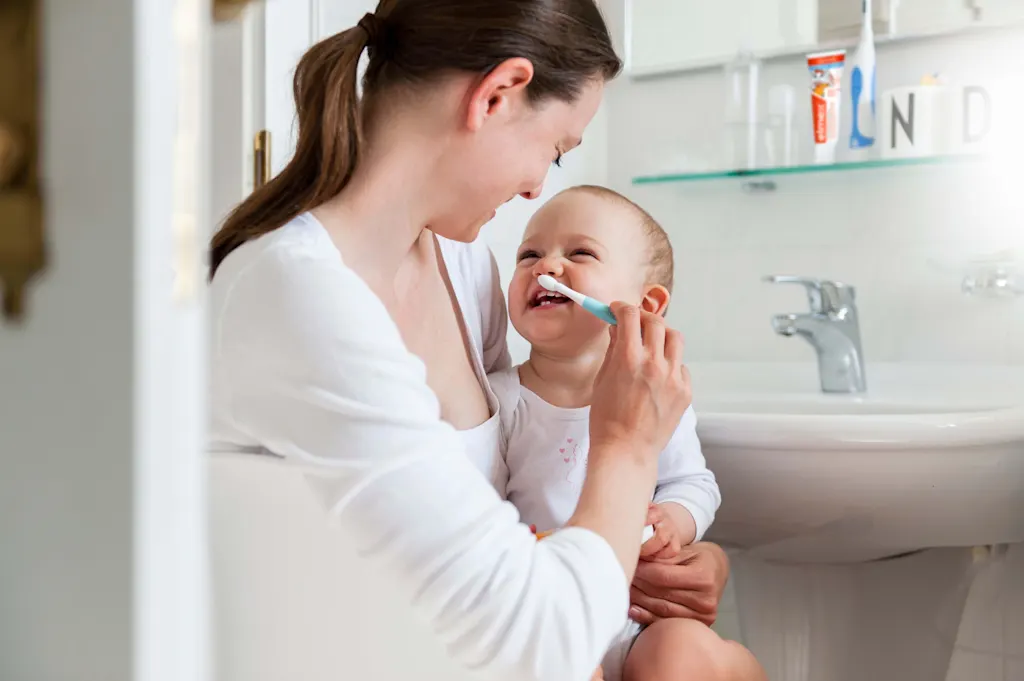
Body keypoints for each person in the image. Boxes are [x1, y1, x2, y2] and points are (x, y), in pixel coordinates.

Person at [207, 2, 749, 680]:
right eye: (555, 149)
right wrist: (628, 445)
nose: (536, 186)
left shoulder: (464, 266)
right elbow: (540, 645)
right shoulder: (298, 293)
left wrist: (684, 564)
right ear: (497, 95)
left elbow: (494, 520)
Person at [490, 185, 766, 681]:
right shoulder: (502, 401)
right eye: (528, 255)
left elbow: (694, 484)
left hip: (639, 618)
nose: (546, 266)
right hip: (554, 613)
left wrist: (674, 523)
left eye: (580, 253)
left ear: (646, 305)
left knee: (681, 651)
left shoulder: (658, 394)